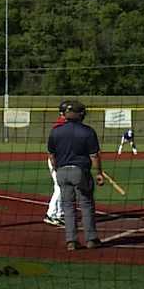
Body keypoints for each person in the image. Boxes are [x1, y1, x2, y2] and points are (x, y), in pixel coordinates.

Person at [47, 100, 103, 250]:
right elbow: (94, 156)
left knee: (68, 207)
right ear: (80, 115)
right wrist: (99, 173)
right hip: (80, 172)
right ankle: (91, 239)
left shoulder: (55, 131)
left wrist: (58, 169)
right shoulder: (87, 131)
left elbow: (52, 155)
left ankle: (71, 241)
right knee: (86, 204)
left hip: (62, 172)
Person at [43, 103, 69, 227]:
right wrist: (55, 165)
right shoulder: (60, 125)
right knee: (59, 187)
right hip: (56, 160)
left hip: (62, 160)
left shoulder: (66, 124)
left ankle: (59, 214)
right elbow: (52, 149)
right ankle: (51, 214)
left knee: (63, 187)